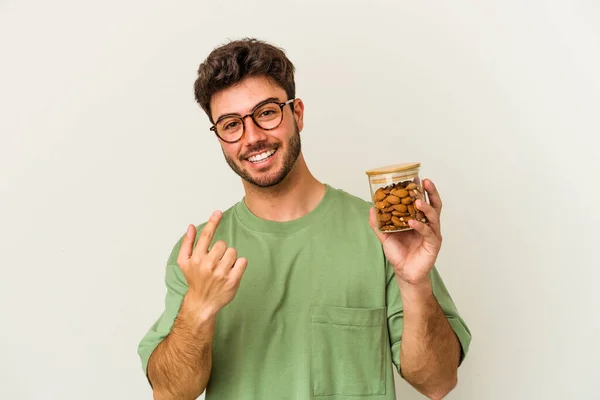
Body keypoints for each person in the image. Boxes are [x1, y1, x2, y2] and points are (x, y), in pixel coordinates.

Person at [137, 38, 471, 400]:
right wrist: (198, 308)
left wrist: (415, 284)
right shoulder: (200, 257)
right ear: (219, 137)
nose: (252, 137)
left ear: (296, 113)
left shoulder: (383, 236)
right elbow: (170, 394)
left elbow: (437, 383)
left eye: (266, 113)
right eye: (231, 124)